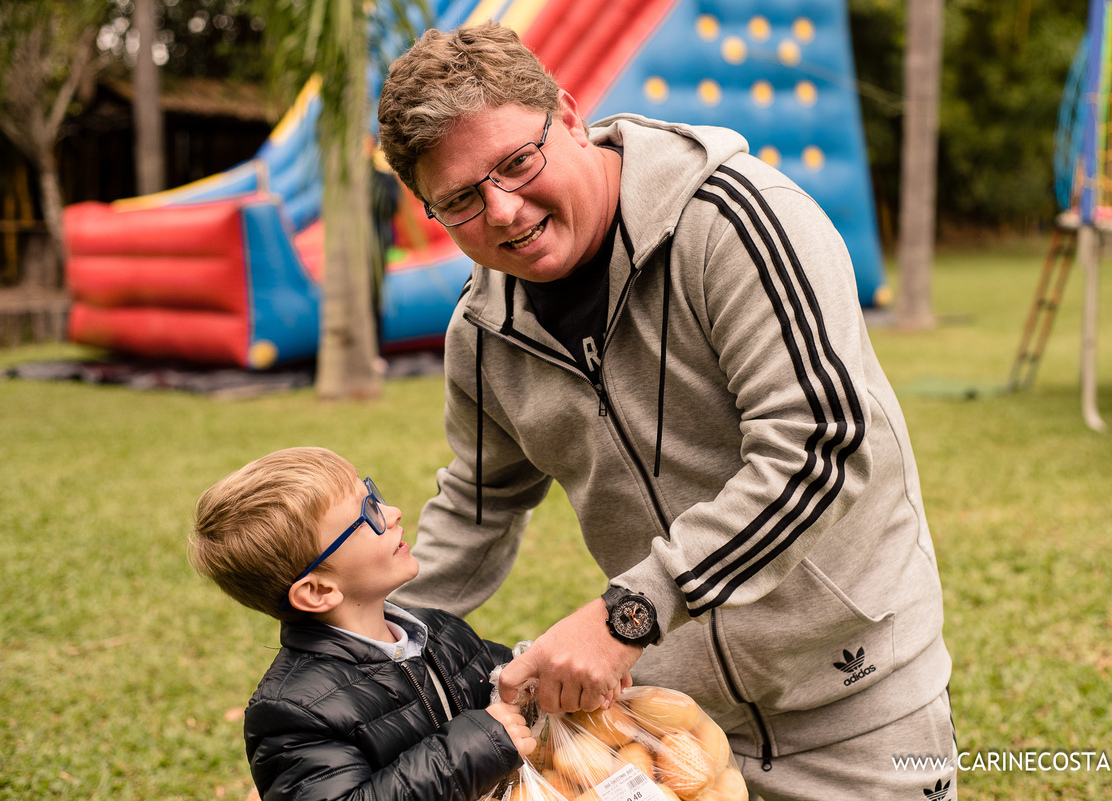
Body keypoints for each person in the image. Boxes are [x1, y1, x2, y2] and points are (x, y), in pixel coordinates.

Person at [376, 22, 956, 800]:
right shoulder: (481, 331)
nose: (505, 211)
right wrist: (347, 664)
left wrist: (630, 613)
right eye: (461, 200)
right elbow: (476, 511)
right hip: (663, 725)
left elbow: (819, 445)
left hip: (857, 698)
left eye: (517, 163)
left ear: (571, 115)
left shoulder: (737, 221)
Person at [189, 446, 536, 801]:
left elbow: (510, 690)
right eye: (366, 516)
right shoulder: (292, 712)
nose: (393, 513)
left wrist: (539, 675)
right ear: (318, 590)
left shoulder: (440, 631)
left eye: (374, 496)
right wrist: (474, 747)